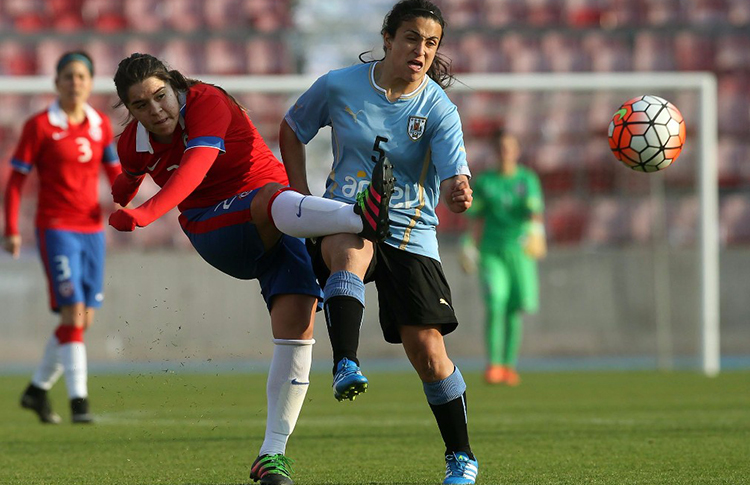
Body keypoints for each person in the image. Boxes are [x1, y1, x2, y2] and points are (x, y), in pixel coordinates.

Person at [108, 53, 392, 485]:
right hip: (216, 227)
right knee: (269, 199)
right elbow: (132, 176)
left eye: (160, 96)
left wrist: (144, 212)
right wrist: (124, 196)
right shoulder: (133, 142)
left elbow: (194, 165)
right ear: (128, 110)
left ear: (174, 86)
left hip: (279, 219)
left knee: (298, 325)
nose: (156, 110)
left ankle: (271, 455)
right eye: (141, 105)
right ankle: (360, 217)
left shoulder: (207, 102)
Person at [278, 1, 478, 483]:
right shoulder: (338, 85)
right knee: (348, 247)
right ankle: (345, 360)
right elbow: (291, 128)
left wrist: (458, 191)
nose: (421, 50)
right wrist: (303, 196)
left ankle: (461, 457)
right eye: (412, 38)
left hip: (411, 231)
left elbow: (455, 182)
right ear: (388, 38)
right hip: (348, 213)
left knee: (427, 352)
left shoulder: (438, 108)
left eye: (431, 43)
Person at [3, 51, 121, 424]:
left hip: (91, 230)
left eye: (82, 76)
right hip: (56, 228)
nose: (75, 83)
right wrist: (11, 228)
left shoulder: (100, 124)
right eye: (68, 76)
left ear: (90, 82)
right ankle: (79, 403)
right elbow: (16, 181)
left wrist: (132, 205)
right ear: (56, 82)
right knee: (72, 311)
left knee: (82, 320)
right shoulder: (39, 126)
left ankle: (36, 391)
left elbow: (115, 175)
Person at [460, 129, 546, 386]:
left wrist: (537, 233)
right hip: (491, 251)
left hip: (519, 252)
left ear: (517, 151)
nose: (505, 153)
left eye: (510, 147)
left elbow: (534, 212)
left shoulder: (527, 180)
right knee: (496, 301)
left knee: (514, 309)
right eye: (501, 148)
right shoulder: (486, 182)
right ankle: (494, 364)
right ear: (496, 152)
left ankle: (509, 366)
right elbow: (477, 218)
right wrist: (468, 245)